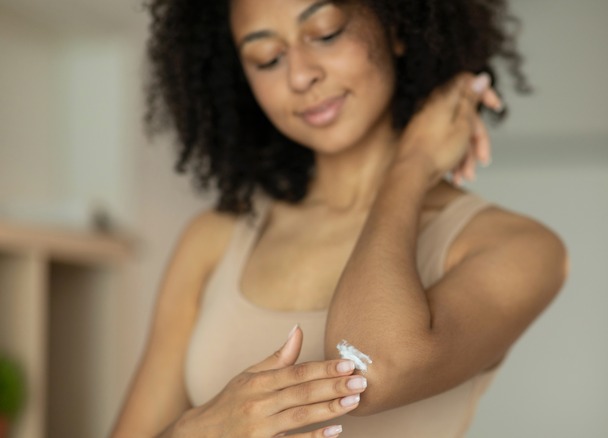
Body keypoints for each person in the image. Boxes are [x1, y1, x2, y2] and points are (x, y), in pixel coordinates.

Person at [112, 0, 568, 436]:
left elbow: (371, 368)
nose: (301, 75)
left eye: (326, 34)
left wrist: (410, 166)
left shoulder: (516, 246)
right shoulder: (214, 237)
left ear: (395, 27)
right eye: (267, 58)